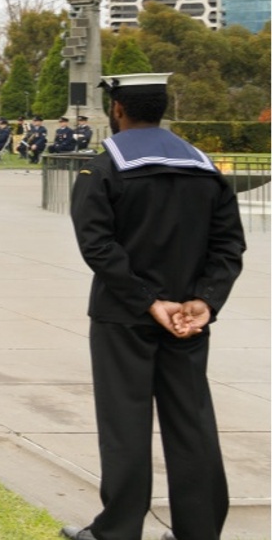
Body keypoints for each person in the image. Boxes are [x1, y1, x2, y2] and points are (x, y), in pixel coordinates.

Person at [61, 73, 244, 540]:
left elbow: (97, 245)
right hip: (188, 319)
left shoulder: (104, 166)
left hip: (124, 315)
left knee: (125, 424)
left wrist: (146, 301)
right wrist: (204, 300)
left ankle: (118, 531)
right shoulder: (205, 167)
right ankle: (198, 531)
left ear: (117, 109)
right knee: (192, 423)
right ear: (162, 108)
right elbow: (228, 247)